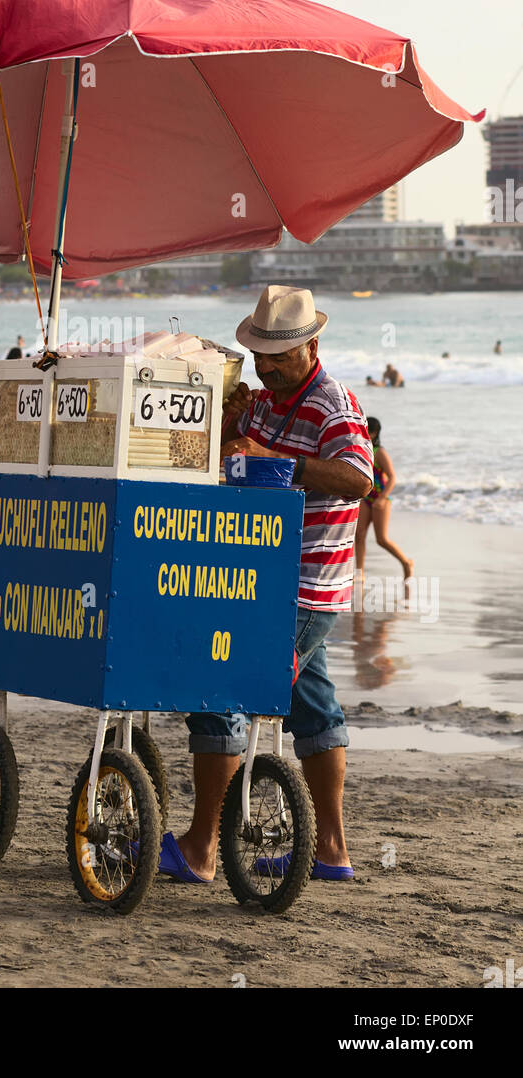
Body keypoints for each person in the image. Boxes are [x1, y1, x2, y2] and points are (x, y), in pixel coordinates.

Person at [158, 285, 372, 887]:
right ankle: (330, 849)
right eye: (260, 355)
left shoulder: (333, 407)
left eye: (279, 355)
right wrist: (231, 424)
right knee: (313, 704)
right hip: (255, 580)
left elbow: (359, 479)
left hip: (302, 588)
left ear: (312, 345)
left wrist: (281, 461)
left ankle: (201, 847)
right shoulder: (265, 403)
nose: (267, 366)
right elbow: (232, 452)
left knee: (217, 685)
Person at [355, 417, 413, 581]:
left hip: (381, 500)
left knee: (381, 539)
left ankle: (406, 562)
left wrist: (382, 498)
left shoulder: (379, 452)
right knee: (359, 535)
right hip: (366, 498)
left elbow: (393, 477)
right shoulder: (362, 450)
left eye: (366, 429)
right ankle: (360, 574)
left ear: (373, 433)